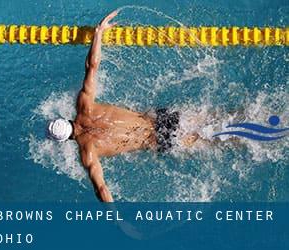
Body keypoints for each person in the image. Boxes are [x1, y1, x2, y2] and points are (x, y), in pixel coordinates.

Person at [47, 11, 199, 202]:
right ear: (65, 119)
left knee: (217, 141)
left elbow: (101, 189)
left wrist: (117, 221)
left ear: (65, 140)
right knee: (215, 118)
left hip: (160, 140)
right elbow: (92, 66)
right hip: (161, 118)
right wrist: (98, 33)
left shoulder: (88, 152)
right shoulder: (84, 105)